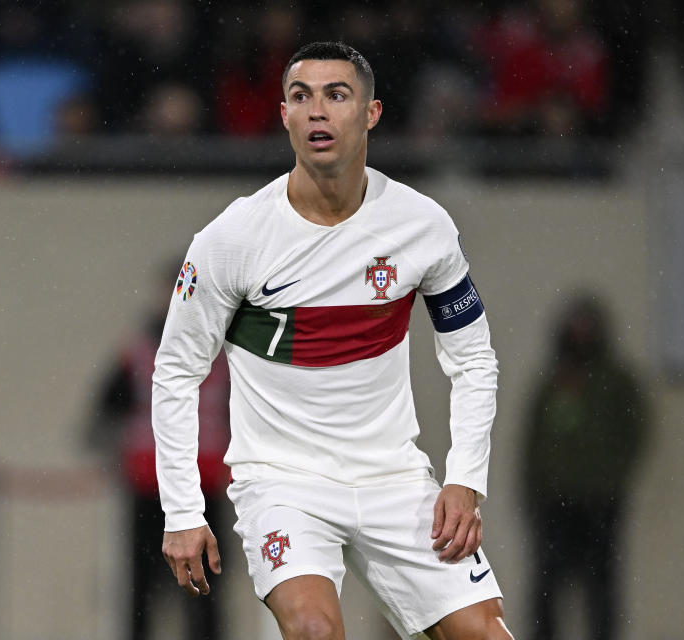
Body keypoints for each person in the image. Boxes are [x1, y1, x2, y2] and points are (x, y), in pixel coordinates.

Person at [153, 42, 514, 640]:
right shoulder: (233, 238)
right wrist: (183, 511)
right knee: (316, 632)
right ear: (285, 116)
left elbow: (473, 357)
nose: (317, 111)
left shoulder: (422, 226)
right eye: (301, 97)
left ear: (371, 113)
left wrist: (465, 478)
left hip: (395, 479)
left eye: (336, 95)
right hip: (282, 481)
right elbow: (176, 372)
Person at [86, 281, 231, 640]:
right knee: (142, 589)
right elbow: (104, 413)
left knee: (206, 590)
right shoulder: (138, 352)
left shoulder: (225, 353)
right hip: (150, 487)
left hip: (205, 486)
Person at [522, 293, 648, 640]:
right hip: (553, 503)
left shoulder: (616, 381)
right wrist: (533, 494)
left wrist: (608, 478)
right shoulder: (552, 383)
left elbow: (635, 434)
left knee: (601, 588)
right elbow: (532, 444)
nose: (580, 334)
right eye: (574, 325)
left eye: (586, 325)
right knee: (546, 589)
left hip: (599, 502)